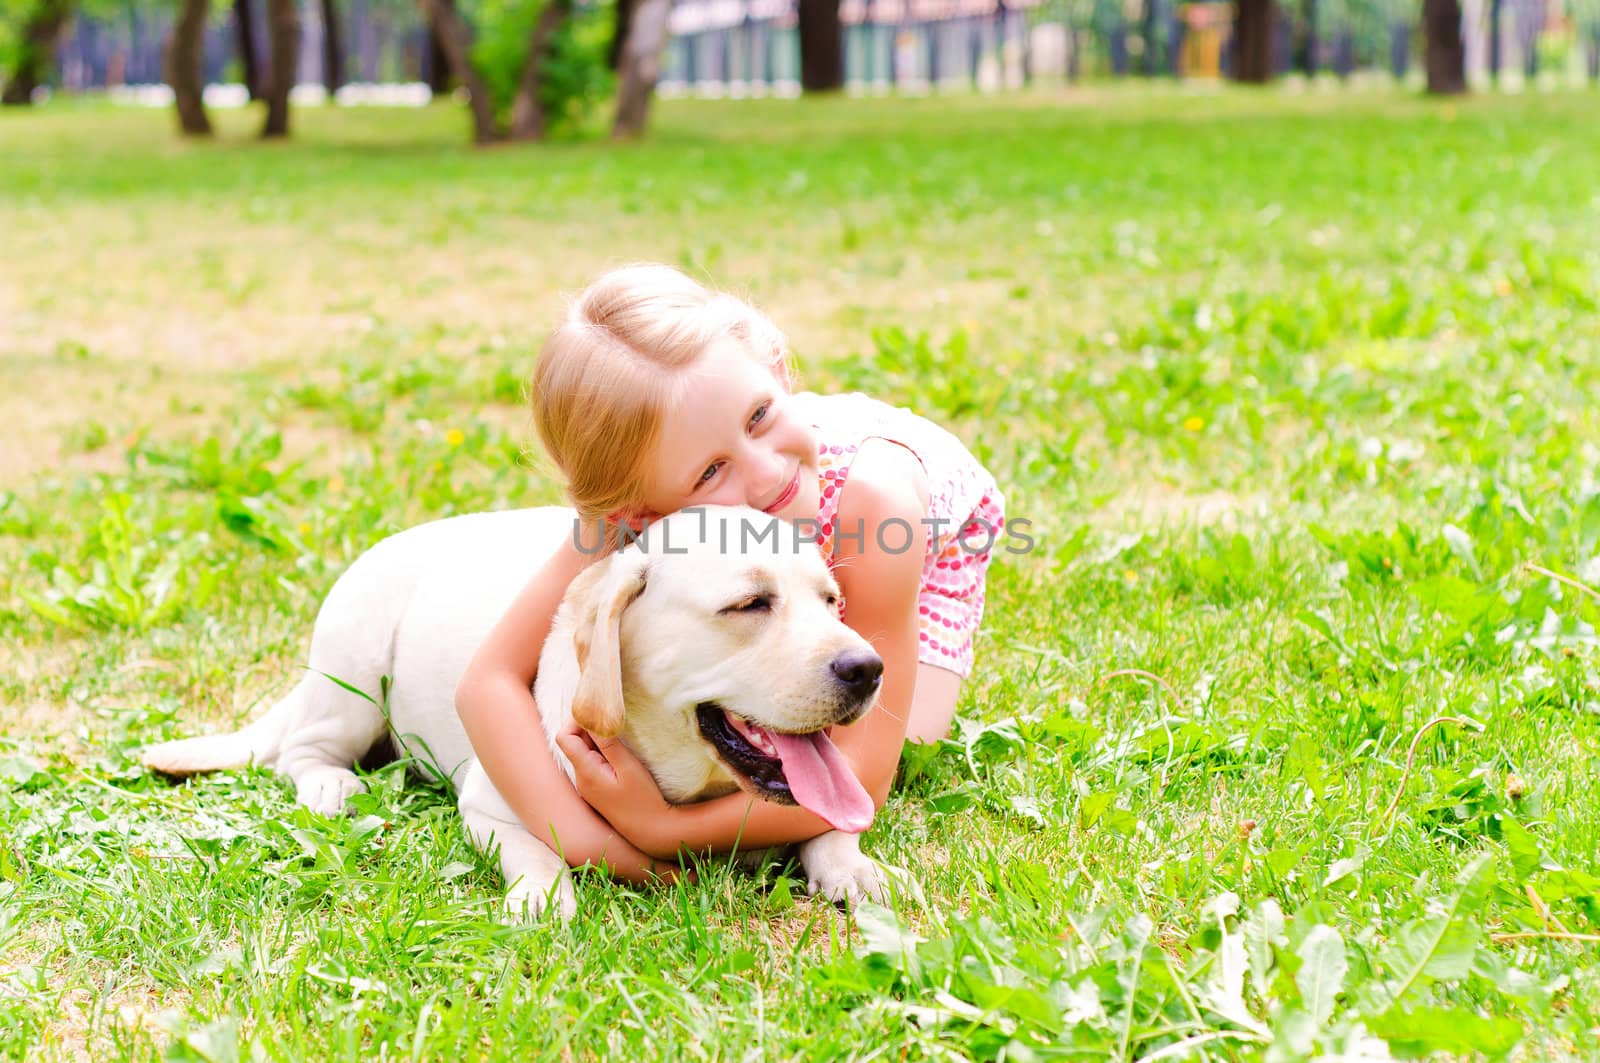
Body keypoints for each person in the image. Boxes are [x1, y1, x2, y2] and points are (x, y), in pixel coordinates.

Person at [454, 263, 1006, 883]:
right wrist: (586, 840)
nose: (767, 472)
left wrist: (659, 832)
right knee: (782, 676)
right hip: (737, 560)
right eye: (710, 472)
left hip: (926, 532)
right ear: (643, 511)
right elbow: (489, 683)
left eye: (760, 415)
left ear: (774, 370)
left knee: (904, 734)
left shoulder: (877, 506)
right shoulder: (630, 524)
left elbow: (865, 780)